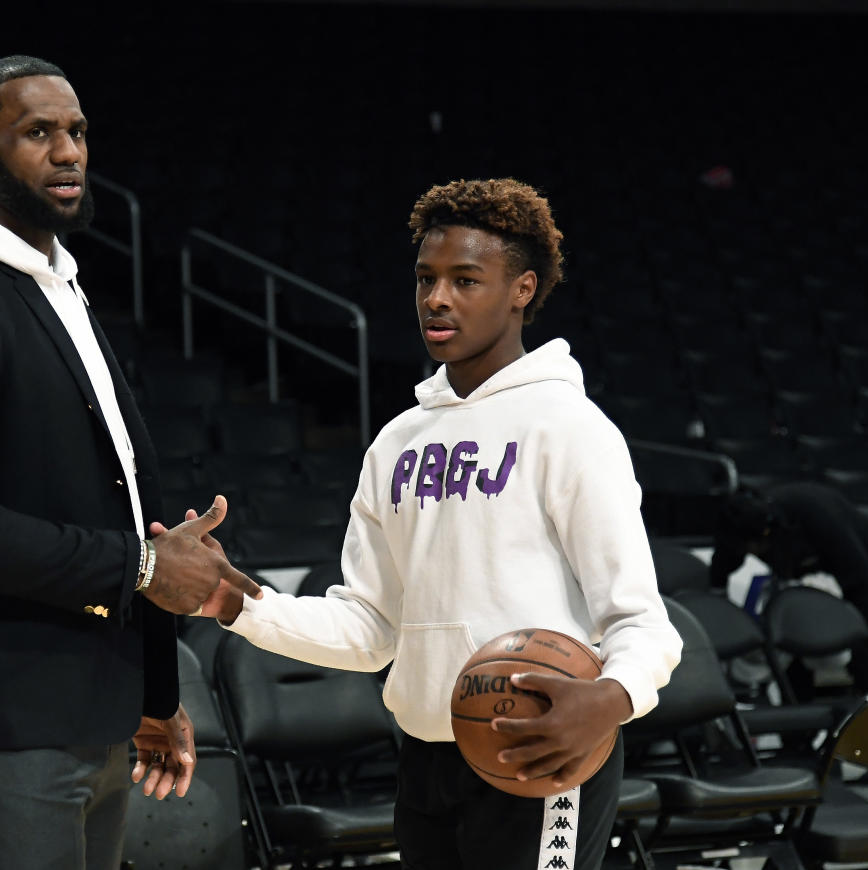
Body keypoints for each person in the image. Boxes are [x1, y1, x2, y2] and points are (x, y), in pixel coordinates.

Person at [182, 178, 683, 870]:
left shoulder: (570, 429)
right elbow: (367, 629)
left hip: (537, 752)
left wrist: (611, 698)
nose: (437, 299)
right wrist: (238, 606)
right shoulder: (396, 444)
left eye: (465, 280)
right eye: (426, 279)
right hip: (423, 758)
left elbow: (641, 621)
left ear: (523, 290)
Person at [0, 54, 261, 870]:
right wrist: (148, 564)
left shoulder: (56, 285)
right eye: (38, 133)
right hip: (4, 713)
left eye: (78, 132)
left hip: (94, 704)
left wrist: (156, 697)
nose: (68, 152)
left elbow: (124, 501)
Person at [709, 480, 868, 675]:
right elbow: (720, 573)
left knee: (863, 644)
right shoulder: (734, 531)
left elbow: (857, 568)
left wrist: (822, 590)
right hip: (807, 572)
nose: (754, 552)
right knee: (791, 637)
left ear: (768, 532)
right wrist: (719, 608)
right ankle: (797, 700)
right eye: (748, 549)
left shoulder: (814, 513)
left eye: (758, 546)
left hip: (866, 563)